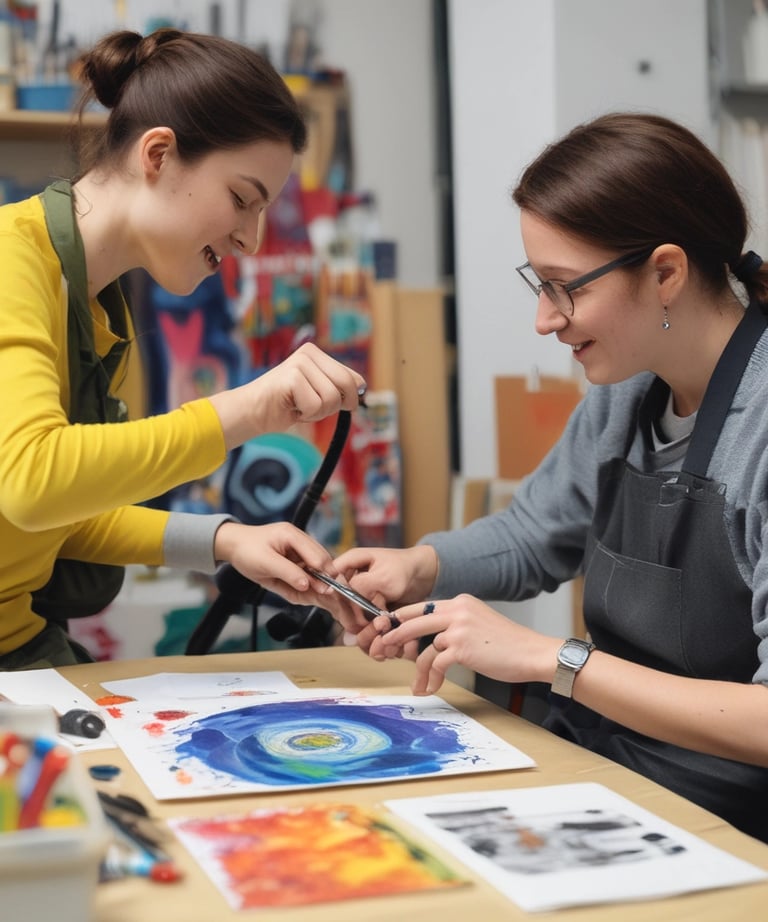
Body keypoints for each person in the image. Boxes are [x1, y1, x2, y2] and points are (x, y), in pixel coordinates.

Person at [333, 112, 768, 843]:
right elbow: (536, 533)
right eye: (539, 283)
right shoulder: (627, 390)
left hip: (732, 820)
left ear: (666, 273)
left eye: (565, 288)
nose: (544, 320)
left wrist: (551, 659)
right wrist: (419, 568)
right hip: (620, 772)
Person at [0, 28, 365, 670]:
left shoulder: (94, 302)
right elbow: (31, 482)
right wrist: (245, 411)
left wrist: (225, 541)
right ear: (160, 154)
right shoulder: (12, 259)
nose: (249, 239)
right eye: (240, 200)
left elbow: (54, 514)